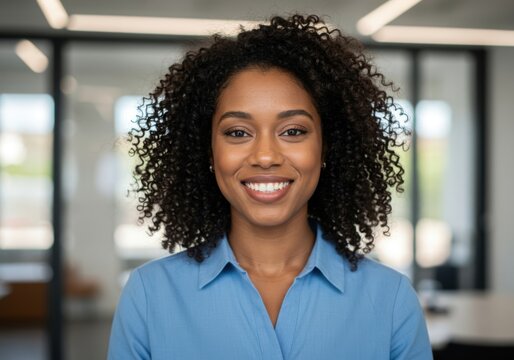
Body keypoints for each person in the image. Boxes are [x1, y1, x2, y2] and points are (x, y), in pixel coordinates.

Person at [108, 14, 433, 360]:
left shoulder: (391, 299)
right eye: (237, 132)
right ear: (208, 151)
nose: (265, 156)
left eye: (293, 131)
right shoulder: (148, 296)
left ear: (326, 148)